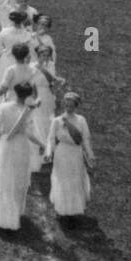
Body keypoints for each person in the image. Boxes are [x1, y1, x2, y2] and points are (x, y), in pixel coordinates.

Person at [0, 81, 45, 231]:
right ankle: (12, 214)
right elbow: (29, 134)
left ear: (15, 92)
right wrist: (42, 145)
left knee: (1, 177)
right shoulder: (28, 112)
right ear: (28, 95)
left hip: (5, 146)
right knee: (16, 179)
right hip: (21, 147)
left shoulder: (3, 108)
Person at [45, 91, 94, 219]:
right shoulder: (56, 121)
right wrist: (49, 152)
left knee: (75, 179)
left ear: (76, 106)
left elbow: (85, 138)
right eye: (66, 105)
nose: (69, 107)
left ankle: (73, 210)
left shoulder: (81, 120)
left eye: (71, 105)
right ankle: (61, 208)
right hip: (62, 153)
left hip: (75, 153)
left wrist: (90, 154)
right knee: (62, 179)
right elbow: (50, 139)